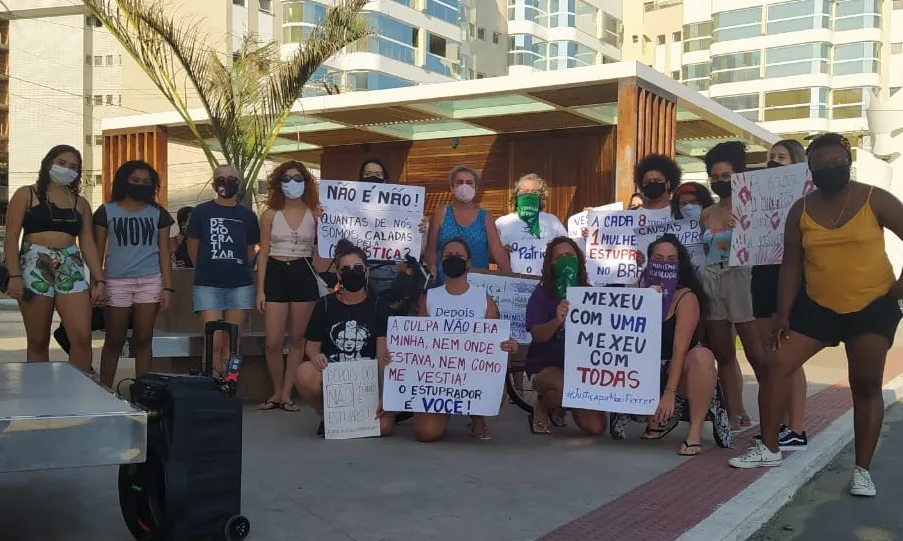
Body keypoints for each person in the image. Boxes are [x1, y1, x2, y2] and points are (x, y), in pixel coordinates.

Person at [730, 134, 903, 497]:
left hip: (871, 305)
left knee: (866, 385)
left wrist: (900, 288)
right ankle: (769, 448)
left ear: (848, 161)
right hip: (817, 306)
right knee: (777, 364)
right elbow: (791, 263)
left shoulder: (875, 199)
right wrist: (782, 312)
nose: (829, 170)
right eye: (820, 166)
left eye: (836, 163)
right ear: (810, 169)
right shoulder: (801, 209)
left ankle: (862, 470)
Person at [3, 145, 104, 373]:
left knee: (81, 335)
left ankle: (79, 389)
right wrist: (14, 275)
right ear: (48, 163)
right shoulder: (26, 194)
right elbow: (11, 239)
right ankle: (40, 393)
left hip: (71, 263)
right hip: (34, 263)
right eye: (61, 163)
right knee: (38, 339)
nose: (67, 169)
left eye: (73, 166)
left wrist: (99, 280)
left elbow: (87, 242)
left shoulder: (81, 203)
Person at [414, 238, 519, 441]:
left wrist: (509, 344)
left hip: (472, 375)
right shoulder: (430, 298)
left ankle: (476, 415)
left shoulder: (483, 299)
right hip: (437, 377)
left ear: (469, 262)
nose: (453, 260)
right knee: (425, 433)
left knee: (495, 394)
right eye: (448, 257)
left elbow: (495, 340)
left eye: (459, 257)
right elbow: (419, 338)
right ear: (441, 261)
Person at [630, 235, 724, 455]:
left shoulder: (686, 297)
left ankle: (694, 431)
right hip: (645, 370)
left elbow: (680, 349)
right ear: (649, 261)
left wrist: (669, 392)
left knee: (701, 356)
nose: (664, 263)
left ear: (680, 264)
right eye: (658, 258)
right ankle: (656, 417)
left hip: (678, 371)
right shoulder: (638, 289)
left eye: (671, 259)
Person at [700, 141, 767, 431]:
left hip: (742, 279)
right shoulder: (707, 213)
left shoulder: (752, 207)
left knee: (756, 353)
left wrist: (743, 227)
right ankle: (736, 412)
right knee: (724, 353)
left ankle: (775, 409)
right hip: (713, 278)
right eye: (715, 177)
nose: (719, 182)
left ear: (737, 176)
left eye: (726, 176)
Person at [296, 243, 394, 437]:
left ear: (366, 272)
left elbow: (382, 355)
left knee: (383, 428)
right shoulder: (324, 305)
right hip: (333, 378)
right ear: (339, 274)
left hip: (368, 383)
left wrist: (384, 395)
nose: (353, 273)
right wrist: (316, 357)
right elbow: (311, 346)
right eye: (346, 269)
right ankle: (326, 415)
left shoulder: (378, 306)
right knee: (304, 372)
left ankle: (358, 417)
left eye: (358, 268)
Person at [93, 161, 174, 387]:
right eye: (135, 181)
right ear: (123, 181)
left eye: (146, 182)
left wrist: (167, 288)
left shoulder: (159, 214)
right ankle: (106, 389)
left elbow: (164, 253)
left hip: (150, 281)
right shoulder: (106, 211)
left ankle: (143, 391)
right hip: (115, 281)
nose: (141, 185)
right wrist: (96, 283)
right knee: (114, 339)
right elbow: (97, 252)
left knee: (144, 339)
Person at [751, 139, 809, 450]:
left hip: (788, 275)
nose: (774, 161)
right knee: (767, 355)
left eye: (781, 157)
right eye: (771, 156)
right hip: (760, 273)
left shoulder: (806, 196)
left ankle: (796, 428)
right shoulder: (756, 193)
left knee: (789, 355)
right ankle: (776, 421)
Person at [523, 236, 607, 436]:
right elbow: (538, 335)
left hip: (580, 371)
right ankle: (543, 405)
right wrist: (556, 321)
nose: (565, 260)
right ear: (550, 265)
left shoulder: (590, 294)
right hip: (545, 366)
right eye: (558, 257)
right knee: (565, 386)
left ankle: (557, 405)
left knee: (596, 428)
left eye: (569, 255)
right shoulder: (542, 295)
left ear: (578, 259)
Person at [255, 161, 320, 412]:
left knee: (296, 338)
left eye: (297, 178)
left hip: (303, 271)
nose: (292, 183)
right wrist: (260, 289)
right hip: (276, 272)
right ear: (278, 184)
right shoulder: (270, 214)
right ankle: (275, 389)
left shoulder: (315, 213)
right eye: (287, 178)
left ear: (305, 181)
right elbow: (262, 253)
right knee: (272, 340)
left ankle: (286, 393)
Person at [186, 164, 260, 376]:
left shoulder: (248, 216)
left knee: (234, 342)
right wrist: (206, 267)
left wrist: (239, 266)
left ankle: (230, 383)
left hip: (240, 284)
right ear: (213, 183)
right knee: (214, 340)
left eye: (231, 178)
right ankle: (212, 387)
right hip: (208, 284)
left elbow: (252, 247)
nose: (226, 181)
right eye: (221, 177)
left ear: (238, 183)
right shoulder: (201, 212)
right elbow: (193, 246)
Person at [425, 166, 511, 284]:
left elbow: (498, 252)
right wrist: (432, 270)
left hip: (477, 284)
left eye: (469, 183)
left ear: (476, 188)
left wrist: (511, 278)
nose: (464, 186)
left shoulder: (485, 217)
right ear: (452, 187)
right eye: (459, 182)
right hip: (444, 283)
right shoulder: (441, 213)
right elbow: (431, 250)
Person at [495, 173, 567, 276]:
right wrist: (501, 252)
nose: (529, 195)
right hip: (511, 280)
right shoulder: (502, 222)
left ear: (541, 196)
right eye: (525, 191)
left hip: (545, 281)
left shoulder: (552, 221)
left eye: (534, 192)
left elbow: (567, 248)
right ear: (517, 195)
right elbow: (490, 254)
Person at [634, 154, 681, 224]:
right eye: (647, 182)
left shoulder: (679, 212)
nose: (652, 183)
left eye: (657, 180)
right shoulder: (632, 214)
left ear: (668, 184)